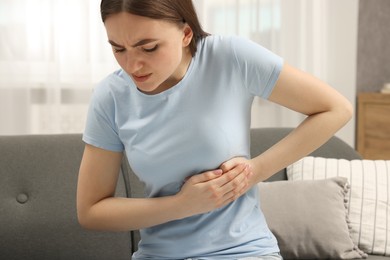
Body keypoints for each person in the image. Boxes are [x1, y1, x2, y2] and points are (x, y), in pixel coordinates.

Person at [76, 0, 353, 259]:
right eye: (118, 49)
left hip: (245, 250)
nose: (132, 65)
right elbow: (91, 210)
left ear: (185, 34)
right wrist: (182, 205)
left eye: (148, 48)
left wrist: (253, 173)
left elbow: (335, 109)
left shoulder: (229, 57)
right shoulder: (111, 96)